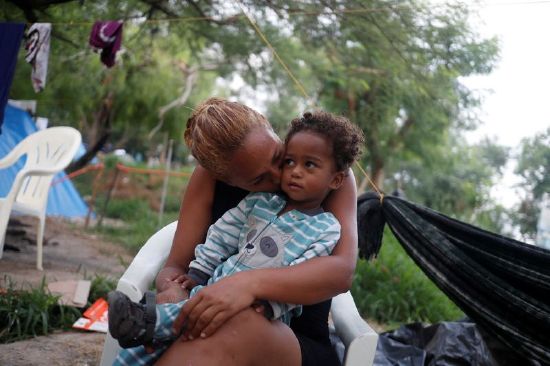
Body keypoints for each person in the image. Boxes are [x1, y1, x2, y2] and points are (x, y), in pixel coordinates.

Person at [108, 110, 364, 365]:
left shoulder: (327, 166)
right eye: (258, 178)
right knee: (207, 322)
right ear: (226, 179)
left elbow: (340, 272)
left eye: (278, 157)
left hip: (291, 335)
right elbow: (176, 267)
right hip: (206, 311)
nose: (282, 175)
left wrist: (246, 285)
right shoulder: (231, 190)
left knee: (236, 319)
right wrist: (173, 289)